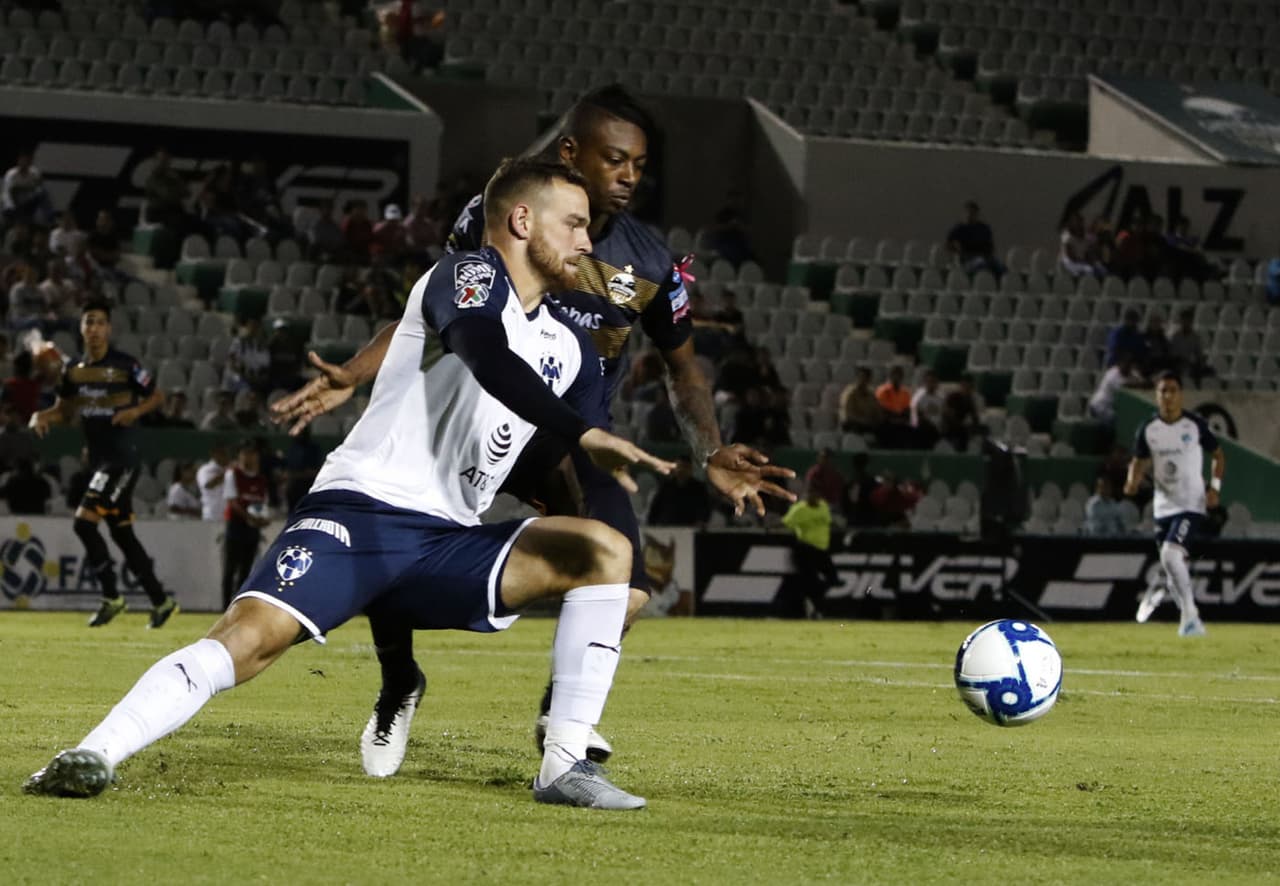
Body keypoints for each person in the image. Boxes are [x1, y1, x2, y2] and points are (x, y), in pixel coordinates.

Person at [24, 158, 674, 810]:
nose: (588, 243)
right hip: (362, 513)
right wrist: (580, 432)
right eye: (575, 224)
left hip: (448, 543)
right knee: (248, 641)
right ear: (522, 220)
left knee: (605, 550)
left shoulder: (574, 350)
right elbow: (486, 352)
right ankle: (91, 754)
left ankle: (563, 766)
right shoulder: (466, 275)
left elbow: (567, 455)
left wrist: (612, 474)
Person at [271, 85, 794, 772]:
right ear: (571, 153)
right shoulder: (498, 222)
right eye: (615, 159)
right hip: (479, 411)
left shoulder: (653, 267)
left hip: (566, 435)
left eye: (639, 162)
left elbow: (684, 370)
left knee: (627, 578)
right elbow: (440, 307)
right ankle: (400, 680)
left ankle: (561, 715)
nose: (631, 175)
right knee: (391, 519)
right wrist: (356, 372)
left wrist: (711, 448)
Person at [27, 300, 178, 628]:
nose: (93, 328)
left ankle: (112, 597)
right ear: (81, 329)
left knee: (84, 523)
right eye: (88, 322)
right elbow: (65, 412)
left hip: (123, 458)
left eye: (99, 323)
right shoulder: (73, 372)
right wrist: (40, 415)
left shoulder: (125, 365)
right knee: (121, 533)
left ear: (109, 329)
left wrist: (134, 412)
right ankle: (161, 601)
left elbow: (158, 396)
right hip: (100, 460)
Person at [1125, 372, 1224, 637]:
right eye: (1162, 391)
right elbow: (1138, 461)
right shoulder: (1149, 429)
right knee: (1172, 568)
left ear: (1180, 395)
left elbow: (1218, 455)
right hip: (1163, 507)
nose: (1167, 396)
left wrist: (1215, 488)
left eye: (1172, 390)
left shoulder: (1194, 425)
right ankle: (1184, 610)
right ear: (1157, 396)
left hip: (1191, 504)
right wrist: (1132, 481)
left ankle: (1190, 620)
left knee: (1170, 555)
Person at [221, 440, 270, 608]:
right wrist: (250, 518)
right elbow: (232, 501)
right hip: (236, 525)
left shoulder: (261, 479)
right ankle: (225, 605)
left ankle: (238, 605)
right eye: (246, 453)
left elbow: (262, 503)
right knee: (230, 568)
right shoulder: (232, 474)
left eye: (253, 454)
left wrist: (262, 519)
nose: (250, 458)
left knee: (246, 569)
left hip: (252, 528)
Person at [781, 484, 839, 619]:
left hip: (822, 550)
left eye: (816, 495)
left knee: (833, 579)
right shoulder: (799, 509)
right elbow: (785, 523)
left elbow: (828, 523)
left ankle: (812, 601)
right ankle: (813, 607)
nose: (814, 498)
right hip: (806, 549)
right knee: (810, 581)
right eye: (811, 495)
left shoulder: (823, 506)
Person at [646, 455, 712, 526]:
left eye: (685, 467)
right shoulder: (666, 487)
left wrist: (702, 521)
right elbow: (655, 508)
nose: (681, 470)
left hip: (690, 527)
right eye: (679, 466)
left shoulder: (699, 488)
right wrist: (651, 524)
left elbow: (705, 508)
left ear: (690, 469)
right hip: (667, 526)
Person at [1087, 351, 1146, 425]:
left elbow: (1142, 381)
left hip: (1110, 408)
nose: (1127, 367)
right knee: (1118, 421)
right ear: (1121, 363)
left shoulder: (1130, 372)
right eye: (1126, 364)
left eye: (1130, 365)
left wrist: (1142, 381)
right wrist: (1140, 383)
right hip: (1099, 406)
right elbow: (1125, 385)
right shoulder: (1112, 374)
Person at [945, 201, 1001, 274]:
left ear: (977, 214)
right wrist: (958, 252)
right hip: (967, 261)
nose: (970, 215)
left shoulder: (984, 228)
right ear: (964, 213)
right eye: (969, 212)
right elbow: (948, 245)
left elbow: (990, 246)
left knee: (999, 267)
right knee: (982, 264)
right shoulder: (959, 229)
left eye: (973, 213)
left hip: (984, 258)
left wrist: (988, 255)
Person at [2, 151, 55, 225]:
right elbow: (7, 193)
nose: (24, 163)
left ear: (30, 162)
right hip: (14, 204)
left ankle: (50, 218)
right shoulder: (11, 174)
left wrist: (31, 191)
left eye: (26, 161)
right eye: (22, 161)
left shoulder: (35, 173)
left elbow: (40, 189)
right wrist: (11, 207)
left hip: (28, 201)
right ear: (19, 162)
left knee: (44, 192)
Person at [1168, 308, 1210, 386]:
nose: (1186, 323)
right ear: (1181, 321)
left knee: (1206, 370)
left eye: (1188, 320)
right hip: (1178, 363)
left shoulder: (1195, 337)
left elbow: (1199, 353)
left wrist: (1198, 361)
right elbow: (1173, 354)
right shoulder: (1176, 337)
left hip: (1190, 364)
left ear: (1191, 321)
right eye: (1184, 320)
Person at [839, 366, 883, 434]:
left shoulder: (871, 395)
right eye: (861, 377)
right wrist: (864, 420)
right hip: (852, 423)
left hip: (868, 423)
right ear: (856, 378)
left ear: (869, 379)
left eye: (865, 377)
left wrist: (877, 419)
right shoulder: (850, 393)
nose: (862, 380)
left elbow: (877, 411)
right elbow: (849, 414)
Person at [196, 443, 231, 522]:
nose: (226, 456)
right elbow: (208, 485)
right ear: (214, 454)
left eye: (227, 453)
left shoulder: (230, 470)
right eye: (223, 453)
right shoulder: (205, 470)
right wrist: (227, 473)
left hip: (228, 515)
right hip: (212, 515)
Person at [909, 368, 943, 448]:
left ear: (937, 383)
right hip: (923, 429)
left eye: (933, 382)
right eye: (929, 381)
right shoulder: (918, 398)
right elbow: (914, 419)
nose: (931, 384)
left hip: (937, 430)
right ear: (925, 382)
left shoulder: (941, 398)